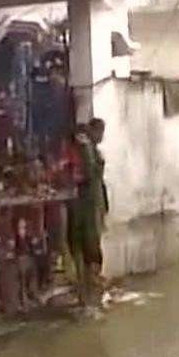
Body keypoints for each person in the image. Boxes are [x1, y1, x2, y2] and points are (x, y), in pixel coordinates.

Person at [67, 119, 107, 306]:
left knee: (89, 246)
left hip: (92, 206)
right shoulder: (86, 151)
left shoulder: (92, 152)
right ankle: (86, 289)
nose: (101, 136)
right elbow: (90, 175)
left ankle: (89, 289)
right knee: (87, 246)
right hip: (85, 208)